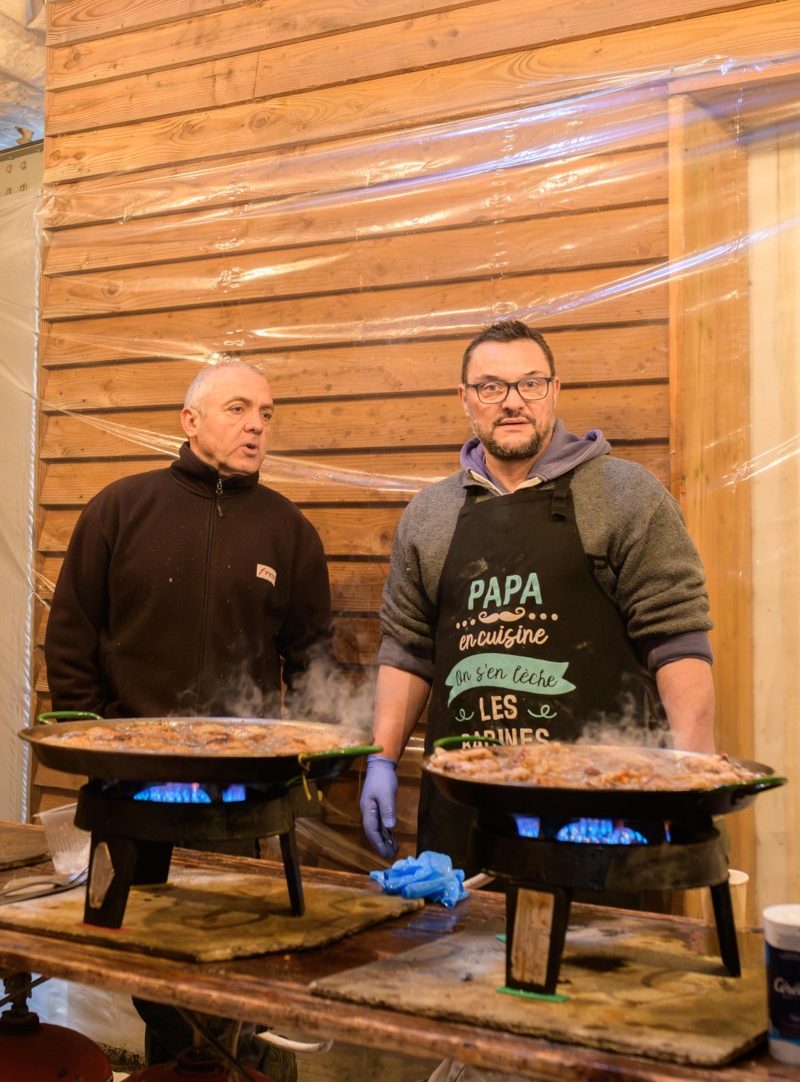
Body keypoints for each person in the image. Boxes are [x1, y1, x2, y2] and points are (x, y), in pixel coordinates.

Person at [45, 357, 332, 1079]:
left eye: (266, 413)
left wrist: (316, 754)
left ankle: (227, 1067)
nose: (256, 425)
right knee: (143, 961)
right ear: (190, 419)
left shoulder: (289, 531)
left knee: (231, 962)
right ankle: (187, 1066)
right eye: (239, 409)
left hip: (238, 796)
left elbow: (311, 659)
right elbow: (72, 635)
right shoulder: (120, 508)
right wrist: (92, 744)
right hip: (130, 789)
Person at [360, 319, 716, 866]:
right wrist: (382, 761)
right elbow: (408, 650)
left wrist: (693, 771)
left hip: (599, 807)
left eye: (530, 383)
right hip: (465, 808)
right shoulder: (429, 515)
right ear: (465, 398)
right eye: (490, 387)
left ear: (554, 390)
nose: (512, 401)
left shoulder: (626, 495)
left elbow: (678, 639)